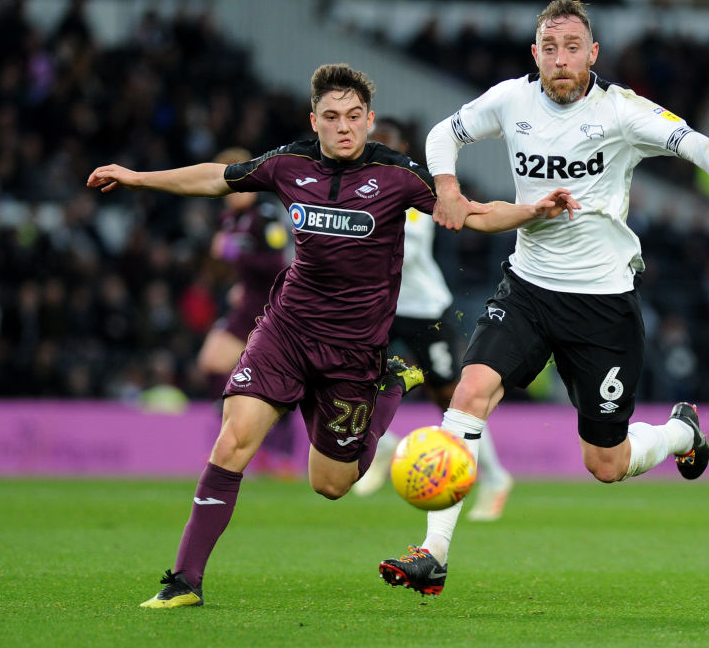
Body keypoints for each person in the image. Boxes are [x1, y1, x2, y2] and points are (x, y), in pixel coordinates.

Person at [87, 63, 579, 608]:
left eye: (352, 117)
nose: (343, 127)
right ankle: (184, 581)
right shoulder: (287, 164)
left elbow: (470, 213)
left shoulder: (399, 176)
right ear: (314, 121)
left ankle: (389, 387)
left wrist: (531, 212)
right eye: (331, 117)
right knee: (233, 440)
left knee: (330, 483)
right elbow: (214, 178)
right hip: (287, 331)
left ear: (369, 121)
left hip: (353, 352)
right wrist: (136, 177)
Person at [379, 0, 709, 597]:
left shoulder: (621, 111)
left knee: (605, 463)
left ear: (593, 53)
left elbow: (696, 143)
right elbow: (445, 132)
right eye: (550, 48)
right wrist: (446, 185)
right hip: (527, 286)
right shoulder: (510, 100)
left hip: (602, 304)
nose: (561, 59)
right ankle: (434, 554)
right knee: (470, 391)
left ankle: (681, 432)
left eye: (573, 46)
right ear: (535, 55)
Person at [352, 117, 513, 521]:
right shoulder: (356, 189)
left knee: (452, 397)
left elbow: (404, 246)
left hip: (424, 309)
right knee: (353, 381)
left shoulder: (415, 191)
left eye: (387, 145)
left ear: (402, 149)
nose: (380, 153)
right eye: (375, 144)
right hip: (380, 311)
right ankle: (382, 448)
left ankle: (495, 477)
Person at [197, 146, 298, 476]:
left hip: (271, 303)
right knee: (213, 361)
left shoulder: (266, 213)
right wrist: (237, 281)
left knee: (278, 381)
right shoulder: (229, 216)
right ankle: (238, 440)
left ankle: (273, 451)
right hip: (249, 300)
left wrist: (232, 254)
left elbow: (277, 263)